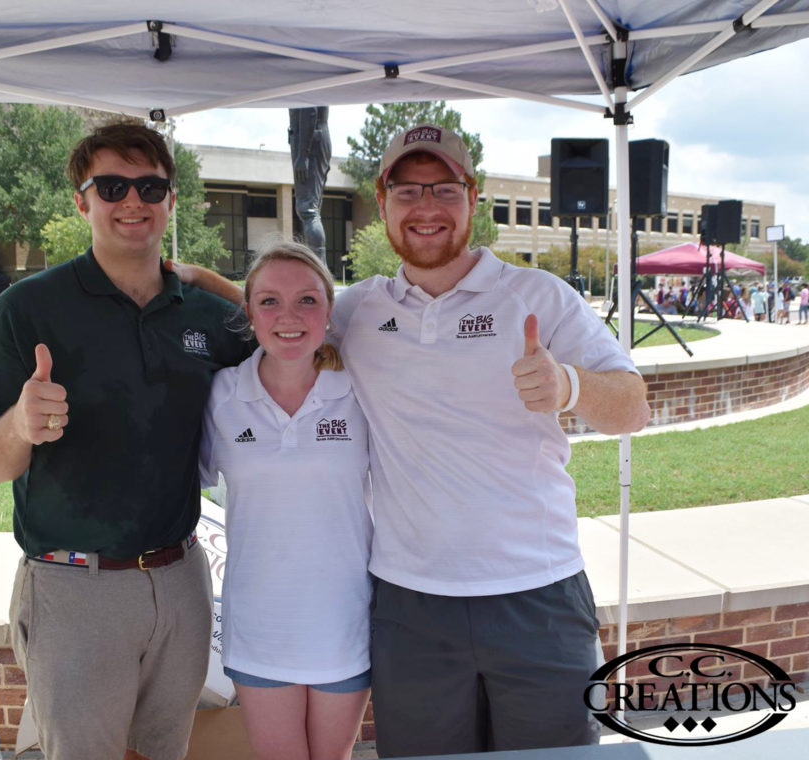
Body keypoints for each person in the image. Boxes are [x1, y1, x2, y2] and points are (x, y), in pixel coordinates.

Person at [179, 125, 650, 756]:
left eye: (443, 188)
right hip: (411, 603)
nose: (425, 207)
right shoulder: (360, 311)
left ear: (472, 195)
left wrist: (567, 385)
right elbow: (285, 308)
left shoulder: (539, 297)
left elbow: (633, 407)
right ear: (383, 200)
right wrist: (189, 276)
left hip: (536, 593)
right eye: (407, 190)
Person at [0, 121, 249, 760]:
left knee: (164, 752)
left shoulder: (207, 315)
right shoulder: (26, 309)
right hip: (75, 588)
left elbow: (302, 331)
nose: (133, 201)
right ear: (81, 200)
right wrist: (19, 423)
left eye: (150, 186)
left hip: (181, 580)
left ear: (171, 200)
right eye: (113, 185)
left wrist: (217, 283)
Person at [200, 242, 372, 760]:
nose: (288, 317)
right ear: (249, 313)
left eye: (307, 301)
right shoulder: (222, 395)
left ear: (330, 310)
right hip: (260, 629)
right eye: (269, 302)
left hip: (345, 624)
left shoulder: (362, 390)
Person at [288, 106, 331, 262]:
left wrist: (303, 154)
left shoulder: (302, 81)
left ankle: (318, 266)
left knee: (308, 210)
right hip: (313, 137)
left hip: (309, 140)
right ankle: (318, 266)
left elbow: (309, 109)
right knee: (311, 210)